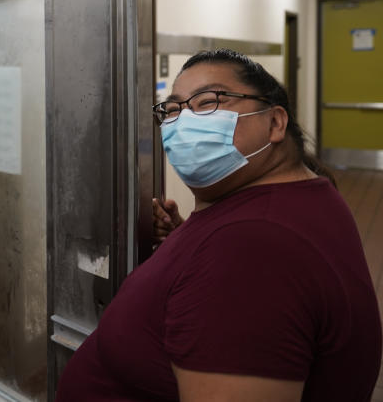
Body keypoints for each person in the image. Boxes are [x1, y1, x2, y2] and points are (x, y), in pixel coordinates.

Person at [55, 49, 382, 401]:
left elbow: (247, 277)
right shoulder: (300, 195)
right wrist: (186, 244)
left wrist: (212, 256)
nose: (183, 122)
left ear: (275, 123)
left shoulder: (251, 250)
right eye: (174, 109)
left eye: (208, 102)